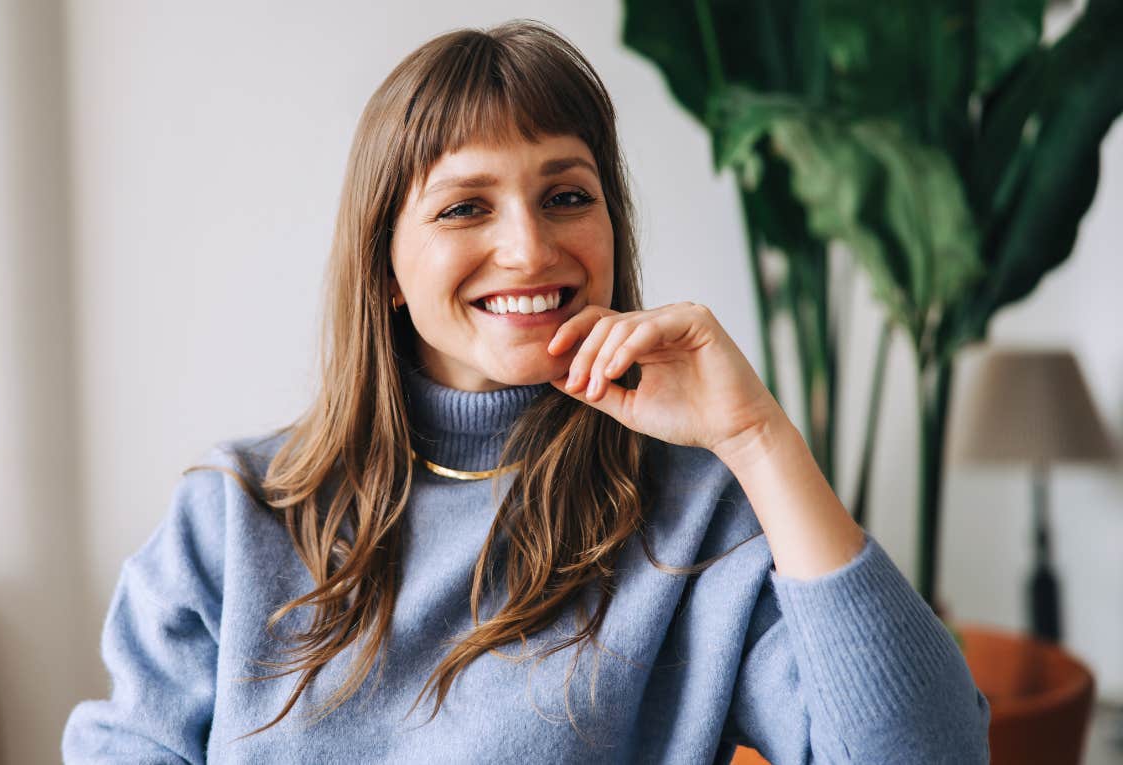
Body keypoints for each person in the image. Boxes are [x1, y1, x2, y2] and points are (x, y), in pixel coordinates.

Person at [62, 19, 991, 764]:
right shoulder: (234, 517)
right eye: (467, 206)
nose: (531, 249)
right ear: (385, 267)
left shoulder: (698, 523)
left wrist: (756, 439)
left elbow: (929, 753)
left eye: (567, 196)